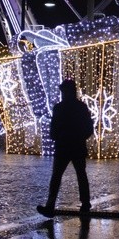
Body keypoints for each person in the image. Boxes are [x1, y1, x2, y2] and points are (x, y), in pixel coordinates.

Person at [37, 78, 95, 218]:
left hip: (64, 145)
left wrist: (57, 136)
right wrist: (81, 137)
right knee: (80, 175)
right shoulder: (80, 107)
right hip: (75, 145)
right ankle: (85, 203)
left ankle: (51, 205)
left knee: (58, 176)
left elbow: (54, 126)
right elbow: (89, 127)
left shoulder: (60, 107)